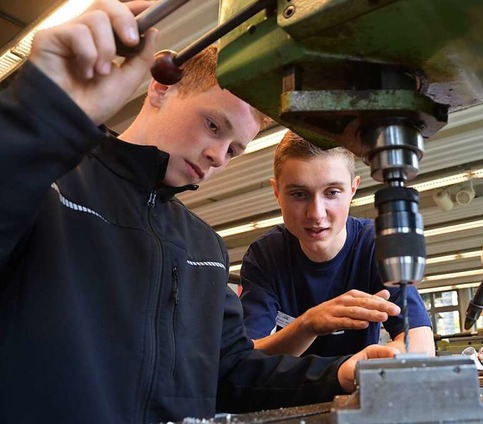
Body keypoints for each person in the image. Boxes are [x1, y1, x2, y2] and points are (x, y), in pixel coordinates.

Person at [0, 1, 397, 422]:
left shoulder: (204, 248)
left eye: (233, 149)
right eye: (213, 126)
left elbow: (232, 373)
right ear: (160, 87)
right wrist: (42, 116)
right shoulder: (50, 187)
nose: (217, 156)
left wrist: (339, 371)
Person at [240, 131, 436, 357]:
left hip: (358, 385)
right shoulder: (265, 255)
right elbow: (248, 356)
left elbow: (420, 345)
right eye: (299, 194)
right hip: (290, 391)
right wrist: (307, 325)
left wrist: (357, 368)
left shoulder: (374, 244)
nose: (316, 214)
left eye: (332, 192)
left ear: (353, 189)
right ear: (277, 192)